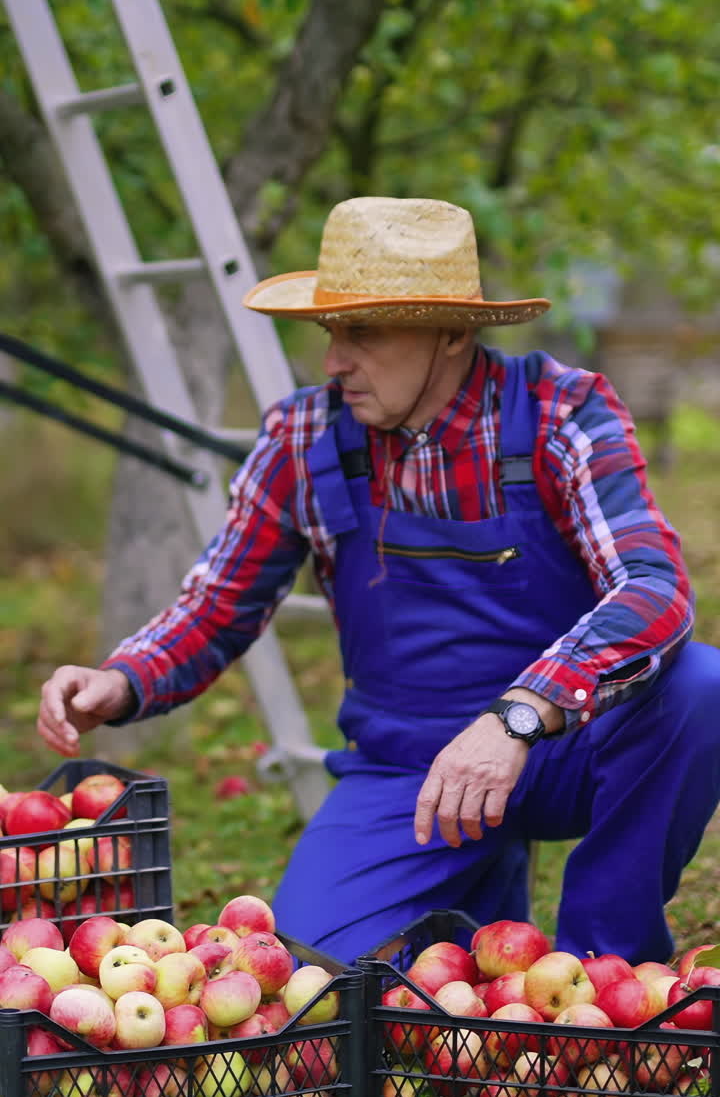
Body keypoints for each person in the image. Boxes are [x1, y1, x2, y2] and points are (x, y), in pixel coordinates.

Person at [37, 196, 720, 966]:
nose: (334, 361)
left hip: (559, 745)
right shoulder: (302, 436)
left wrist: (519, 717)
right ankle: (477, 903)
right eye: (330, 331)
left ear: (454, 332)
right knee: (311, 978)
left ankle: (609, 958)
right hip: (411, 772)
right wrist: (122, 679)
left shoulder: (560, 412)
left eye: (363, 332)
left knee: (698, 684)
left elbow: (653, 590)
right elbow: (218, 604)